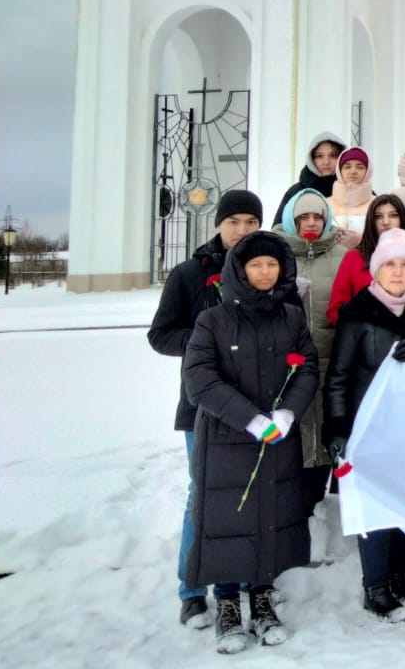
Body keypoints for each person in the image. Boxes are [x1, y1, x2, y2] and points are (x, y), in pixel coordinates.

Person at [182, 230, 319, 654]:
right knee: (229, 517)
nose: (264, 271)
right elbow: (199, 379)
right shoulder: (214, 319)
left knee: (269, 514)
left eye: (272, 264)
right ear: (239, 270)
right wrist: (249, 419)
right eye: (255, 264)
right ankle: (227, 602)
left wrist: (287, 411)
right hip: (227, 439)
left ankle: (261, 596)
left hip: (277, 436)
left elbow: (308, 366)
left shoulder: (291, 316)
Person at [147, 188, 264, 629]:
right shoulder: (189, 274)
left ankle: (250, 581)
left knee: (252, 496)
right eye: (234, 222)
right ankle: (192, 589)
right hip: (203, 405)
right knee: (204, 495)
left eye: (250, 223)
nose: (242, 231)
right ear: (218, 224)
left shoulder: (265, 268)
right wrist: (204, 343)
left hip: (255, 405)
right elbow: (160, 335)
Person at [323, 229, 405, 621]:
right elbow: (338, 377)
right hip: (369, 428)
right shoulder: (358, 313)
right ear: (376, 271)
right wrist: (338, 430)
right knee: (376, 508)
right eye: (389, 264)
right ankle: (374, 587)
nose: (397, 272)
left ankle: (397, 578)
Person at [275, 189, 344, 490]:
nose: (311, 223)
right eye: (304, 217)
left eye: (318, 217)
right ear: (292, 220)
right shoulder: (276, 256)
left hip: (332, 358)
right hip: (289, 363)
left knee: (329, 422)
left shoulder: (345, 257)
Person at [327, 193, 405, 325]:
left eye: (393, 215)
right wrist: (360, 328)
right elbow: (335, 311)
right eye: (378, 216)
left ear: (402, 219)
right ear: (370, 221)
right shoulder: (353, 258)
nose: (386, 222)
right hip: (365, 339)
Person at [278, 131, 346, 214]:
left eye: (333, 156)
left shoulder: (352, 190)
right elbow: (278, 226)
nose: (326, 162)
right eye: (319, 156)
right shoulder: (295, 192)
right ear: (311, 159)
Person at [329, 147, 375, 251]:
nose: (353, 171)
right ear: (339, 170)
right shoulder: (325, 204)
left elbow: (388, 239)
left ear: (368, 171)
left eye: (360, 167)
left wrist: (362, 241)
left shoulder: (377, 204)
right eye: (347, 167)